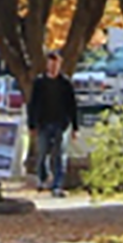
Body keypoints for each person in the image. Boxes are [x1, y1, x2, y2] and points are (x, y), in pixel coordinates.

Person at [27, 51, 79, 197]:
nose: (53, 67)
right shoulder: (39, 83)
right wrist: (31, 124)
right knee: (43, 152)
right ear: (47, 64)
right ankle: (43, 178)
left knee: (60, 154)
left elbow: (72, 105)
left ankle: (57, 185)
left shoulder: (65, 83)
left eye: (56, 64)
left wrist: (75, 126)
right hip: (43, 123)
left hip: (61, 124)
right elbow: (33, 104)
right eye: (51, 64)